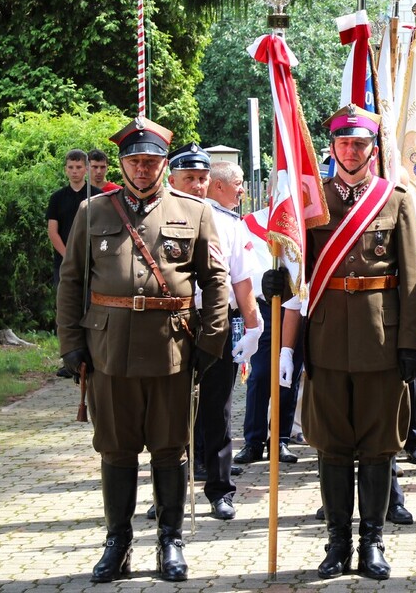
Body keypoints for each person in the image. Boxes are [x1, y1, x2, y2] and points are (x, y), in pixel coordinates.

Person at [56, 117, 229, 583]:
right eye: (134, 161)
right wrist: (71, 343)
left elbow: (215, 280)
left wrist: (211, 339)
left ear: (163, 164)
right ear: (122, 164)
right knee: (116, 449)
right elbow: (71, 281)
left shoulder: (195, 211)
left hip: (171, 348)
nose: (142, 168)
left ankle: (170, 542)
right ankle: (118, 544)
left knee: (170, 448)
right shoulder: (92, 212)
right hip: (108, 349)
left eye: (151, 161)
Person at [265, 104, 416, 581]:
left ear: (373, 149)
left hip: (381, 339)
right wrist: (277, 284)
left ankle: (372, 541)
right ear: (332, 148)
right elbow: (298, 272)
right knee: (332, 446)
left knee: (378, 446)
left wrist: (410, 343)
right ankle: (337, 543)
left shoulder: (395, 199)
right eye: (343, 143)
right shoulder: (311, 201)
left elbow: (411, 279)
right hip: (328, 338)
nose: (351, 151)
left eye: (359, 144)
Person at [170, 149, 263, 521]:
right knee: (170, 411)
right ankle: (169, 492)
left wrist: (254, 326)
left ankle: (220, 490)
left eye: (202, 178)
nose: (196, 185)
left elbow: (241, 279)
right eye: (188, 178)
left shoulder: (228, 223)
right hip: (171, 321)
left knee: (217, 408)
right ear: (172, 181)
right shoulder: (156, 219)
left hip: (216, 320)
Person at [234, 203, 304, 466]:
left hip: (296, 307)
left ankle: (280, 439)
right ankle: (253, 441)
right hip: (264, 305)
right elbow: (243, 267)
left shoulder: (301, 222)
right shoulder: (250, 222)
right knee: (261, 374)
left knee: (288, 375)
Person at [45, 149, 102, 285]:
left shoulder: (98, 196)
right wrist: (68, 256)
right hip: (63, 261)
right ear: (66, 169)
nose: (74, 171)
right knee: (65, 298)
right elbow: (52, 232)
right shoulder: (57, 198)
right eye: (70, 167)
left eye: (78, 167)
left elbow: (102, 228)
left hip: (92, 262)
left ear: (86, 169)